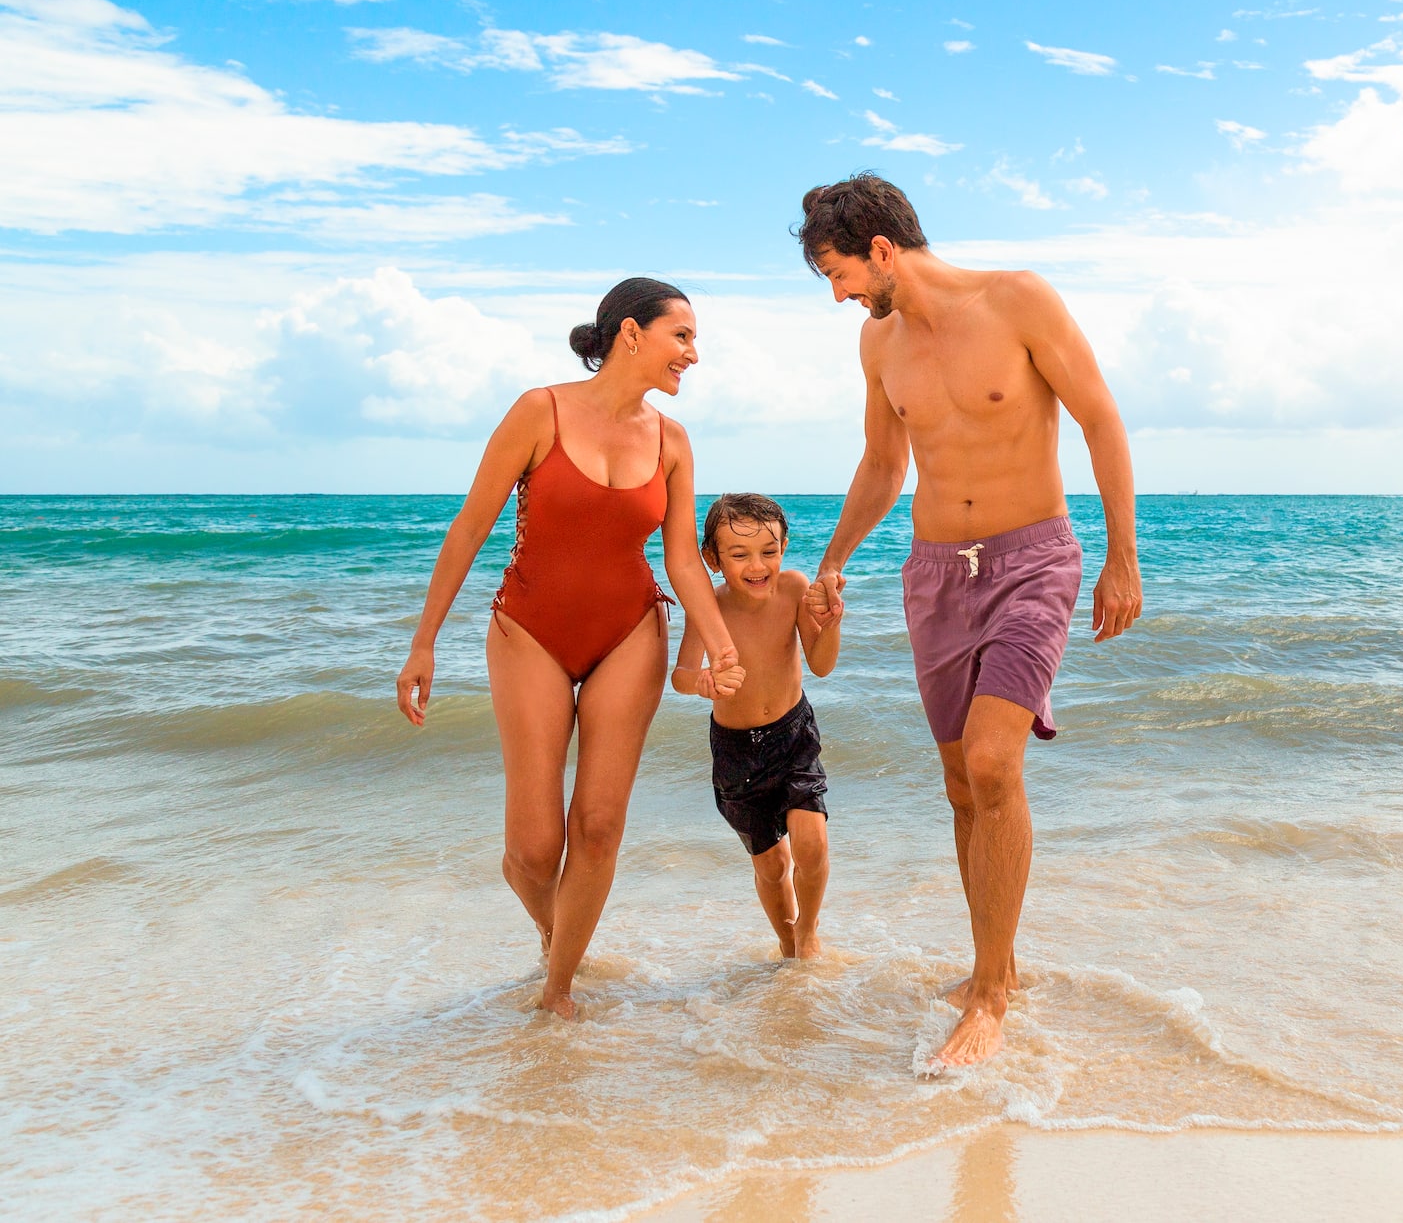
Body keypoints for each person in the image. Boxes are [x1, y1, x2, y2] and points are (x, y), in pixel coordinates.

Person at [796, 172, 1142, 1066]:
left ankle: (989, 998)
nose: (837, 295)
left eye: (837, 273)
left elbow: (1101, 419)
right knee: (961, 784)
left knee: (995, 761)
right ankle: (1001, 963)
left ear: (880, 250)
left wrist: (1121, 555)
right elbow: (882, 463)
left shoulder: (1017, 299)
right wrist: (833, 563)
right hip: (936, 573)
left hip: (1033, 559)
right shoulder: (879, 344)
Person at [395, 277, 743, 1019]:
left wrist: (718, 644)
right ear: (631, 334)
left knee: (599, 826)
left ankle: (558, 989)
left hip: (630, 633)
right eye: (682, 336)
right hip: (529, 630)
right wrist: (423, 642)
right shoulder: (538, 411)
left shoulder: (673, 441)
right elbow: (468, 528)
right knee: (530, 851)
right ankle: (561, 937)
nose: (694, 353)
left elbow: (682, 560)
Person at [672, 493, 843, 958]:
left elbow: (822, 666)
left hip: (794, 734)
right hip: (735, 751)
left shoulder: (792, 589)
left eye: (769, 551)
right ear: (712, 559)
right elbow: (679, 675)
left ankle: (807, 931)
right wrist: (703, 683)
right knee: (771, 865)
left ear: (784, 547)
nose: (758, 565)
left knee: (812, 841)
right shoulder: (708, 605)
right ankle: (787, 944)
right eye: (740, 554)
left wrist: (830, 625)